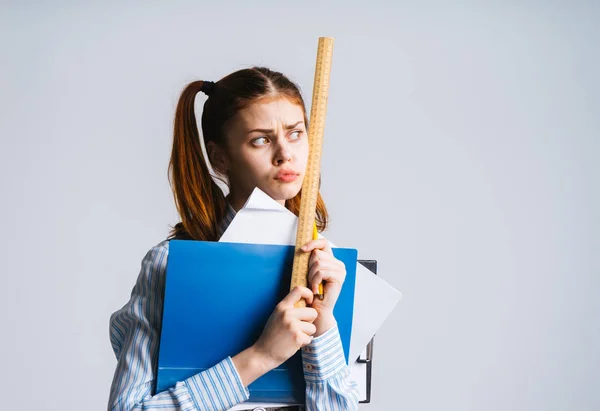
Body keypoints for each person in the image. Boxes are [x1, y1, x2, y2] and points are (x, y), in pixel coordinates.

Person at [107, 67, 360, 411]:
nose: (285, 153)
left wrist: (324, 321)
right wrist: (261, 356)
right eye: (261, 139)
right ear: (220, 157)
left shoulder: (326, 266)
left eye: (296, 133)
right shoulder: (174, 265)